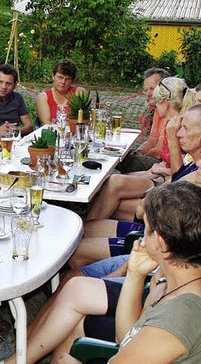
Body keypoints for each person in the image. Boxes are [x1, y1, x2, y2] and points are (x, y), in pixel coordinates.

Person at [0, 181, 201, 364]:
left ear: (162, 243)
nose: (141, 236)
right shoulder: (170, 282)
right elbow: (126, 337)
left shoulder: (181, 315)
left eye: (146, 229)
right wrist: (134, 274)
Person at [73, 105, 201, 269]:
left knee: (77, 250)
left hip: (156, 243)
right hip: (156, 230)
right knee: (87, 227)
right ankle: (98, 270)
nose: (179, 133)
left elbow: (143, 210)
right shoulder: (193, 163)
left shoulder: (197, 173)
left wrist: (151, 192)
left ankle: (95, 279)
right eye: (180, 127)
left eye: (186, 129)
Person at [86, 78, 198, 222]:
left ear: (165, 103)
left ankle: (90, 227)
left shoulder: (180, 128)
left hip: (171, 186)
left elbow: (181, 175)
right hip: (165, 177)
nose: (155, 106)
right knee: (108, 182)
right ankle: (93, 224)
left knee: (114, 183)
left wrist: (163, 169)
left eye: (157, 101)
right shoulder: (174, 122)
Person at [117, 67, 170, 173]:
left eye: (152, 89)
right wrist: (138, 151)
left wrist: (139, 155)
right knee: (120, 155)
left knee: (122, 160)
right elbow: (151, 141)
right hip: (157, 158)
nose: (148, 94)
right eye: (146, 90)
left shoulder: (169, 109)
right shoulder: (157, 108)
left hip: (164, 163)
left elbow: (158, 151)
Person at [35, 59, 86, 125]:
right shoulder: (43, 97)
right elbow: (46, 124)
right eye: (60, 77)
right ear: (53, 76)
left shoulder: (79, 93)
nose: (63, 82)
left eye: (67, 79)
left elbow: (85, 120)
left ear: (72, 80)